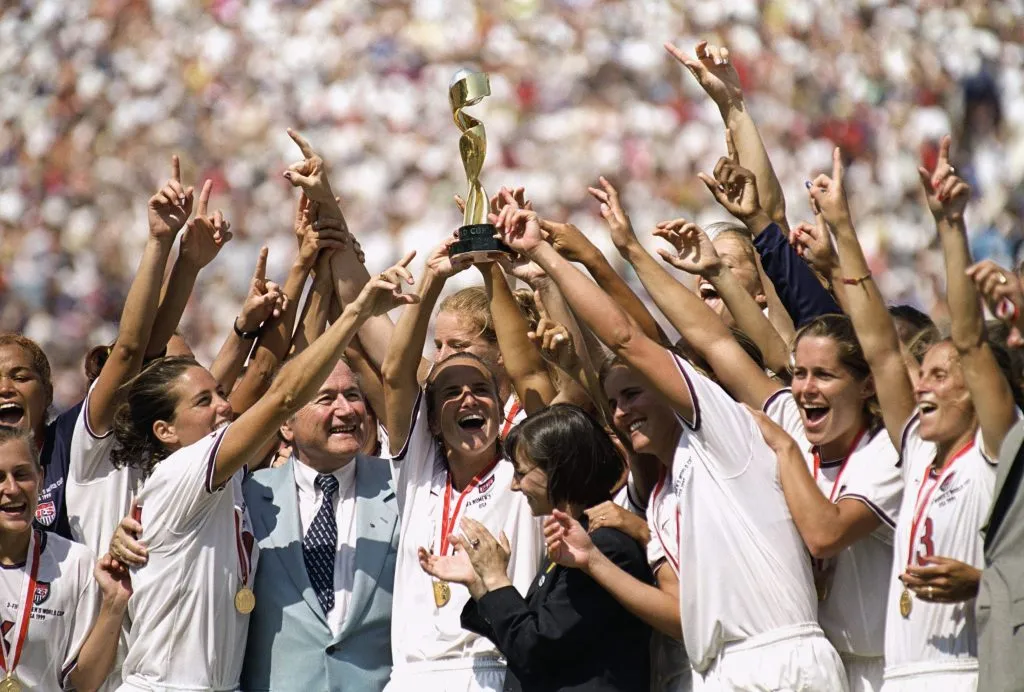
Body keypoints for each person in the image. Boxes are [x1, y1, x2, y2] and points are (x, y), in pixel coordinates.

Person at [494, 192, 846, 688]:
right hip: (714, 673)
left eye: (636, 393)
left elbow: (626, 339)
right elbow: (680, 613)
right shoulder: (658, 497)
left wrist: (550, 256)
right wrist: (592, 561)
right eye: (615, 402)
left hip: (785, 662)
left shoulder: (726, 435)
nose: (621, 413)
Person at [106, 252, 416, 690]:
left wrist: (312, 271)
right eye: (204, 402)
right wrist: (356, 312)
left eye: (219, 394)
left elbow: (273, 377)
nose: (225, 406)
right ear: (165, 430)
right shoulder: (183, 475)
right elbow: (283, 396)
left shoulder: (230, 484)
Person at [813, 139, 1019, 691]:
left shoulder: (995, 450)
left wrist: (950, 226)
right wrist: (843, 230)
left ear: (977, 392)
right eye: (921, 372)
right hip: (899, 677)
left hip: (964, 673)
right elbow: (880, 346)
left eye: (938, 375)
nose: (920, 384)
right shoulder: (919, 452)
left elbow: (972, 342)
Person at [380, 241, 543, 692]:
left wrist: (492, 268)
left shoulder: (524, 462)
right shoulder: (417, 469)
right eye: (450, 391)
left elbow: (529, 376)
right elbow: (395, 374)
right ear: (431, 416)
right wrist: (431, 280)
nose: (466, 398)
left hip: (497, 670)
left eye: (479, 387)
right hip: (412, 676)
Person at [420, 404, 653, 692]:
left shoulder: (605, 546)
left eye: (520, 473)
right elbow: (526, 636)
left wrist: (497, 579)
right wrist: (480, 585)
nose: (515, 486)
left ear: (557, 468)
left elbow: (536, 648)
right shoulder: (574, 539)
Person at [240, 359, 399, 691]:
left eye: (353, 395)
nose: (346, 410)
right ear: (286, 424)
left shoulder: (401, 488)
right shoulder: (250, 496)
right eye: (326, 398)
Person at [0, 426, 130, 690]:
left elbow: (84, 683)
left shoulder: (75, 562)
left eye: (22, 474)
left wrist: (114, 604)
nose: (12, 488)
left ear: (41, 478)